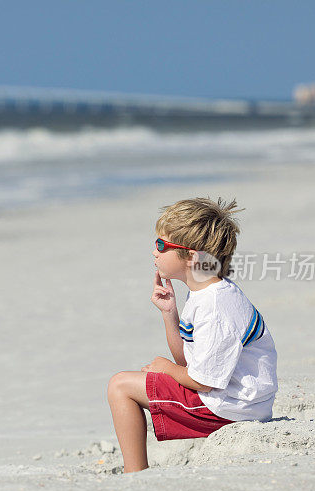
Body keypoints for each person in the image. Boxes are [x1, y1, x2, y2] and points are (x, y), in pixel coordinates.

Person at [106, 197, 278, 473]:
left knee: (120, 386)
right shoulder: (205, 293)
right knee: (134, 381)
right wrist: (169, 313)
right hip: (232, 400)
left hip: (231, 408)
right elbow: (189, 361)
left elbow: (203, 381)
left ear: (193, 257)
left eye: (162, 245)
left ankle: (134, 473)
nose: (154, 252)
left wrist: (166, 368)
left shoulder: (216, 306)